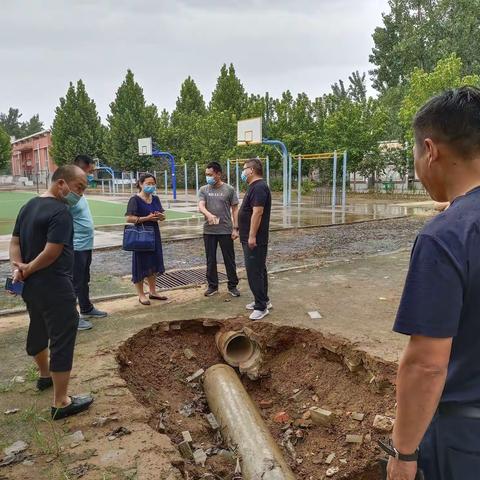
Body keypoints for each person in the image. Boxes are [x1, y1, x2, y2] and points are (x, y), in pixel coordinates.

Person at [386, 87, 480, 480]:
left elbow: (426, 364)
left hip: (465, 438)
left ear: (430, 150)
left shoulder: (443, 238)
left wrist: (403, 455)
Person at [9, 165, 94, 420]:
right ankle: (61, 401)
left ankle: (45, 377)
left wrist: (19, 268)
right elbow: (52, 251)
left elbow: (14, 243)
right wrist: (29, 268)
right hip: (55, 285)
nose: (79, 194)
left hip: (31, 288)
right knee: (62, 337)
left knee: (38, 326)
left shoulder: (29, 206)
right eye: (78, 188)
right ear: (61, 184)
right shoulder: (61, 212)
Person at [71, 154, 107, 331]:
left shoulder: (80, 191)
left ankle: (86, 308)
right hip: (74, 246)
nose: (92, 175)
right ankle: (72, 317)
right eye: (90, 171)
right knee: (72, 283)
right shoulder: (68, 193)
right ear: (81, 169)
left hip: (85, 245)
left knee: (84, 279)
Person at [198, 161, 240, 297]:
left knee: (229, 259)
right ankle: (213, 286)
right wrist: (208, 215)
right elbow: (201, 206)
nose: (208, 177)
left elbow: (235, 209)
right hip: (209, 231)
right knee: (210, 259)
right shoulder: (204, 189)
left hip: (225, 230)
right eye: (206, 174)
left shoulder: (229, 189)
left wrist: (235, 228)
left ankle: (232, 286)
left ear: (218, 174)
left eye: (210, 174)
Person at [238, 158, 272, 321]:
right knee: (259, 269)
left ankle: (261, 307)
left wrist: (252, 236)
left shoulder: (259, 187)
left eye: (244, 169)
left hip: (255, 239)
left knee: (254, 271)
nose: (243, 172)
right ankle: (264, 300)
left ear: (251, 170)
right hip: (249, 237)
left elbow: (257, 212)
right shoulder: (255, 187)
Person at [125, 173, 167, 305]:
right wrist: (147, 218)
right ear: (141, 184)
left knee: (154, 262)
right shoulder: (135, 200)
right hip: (141, 236)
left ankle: (153, 292)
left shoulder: (155, 199)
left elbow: (163, 216)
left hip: (154, 234)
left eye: (153, 184)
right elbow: (129, 218)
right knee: (140, 263)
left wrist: (160, 216)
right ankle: (141, 294)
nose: (151, 186)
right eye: (148, 184)